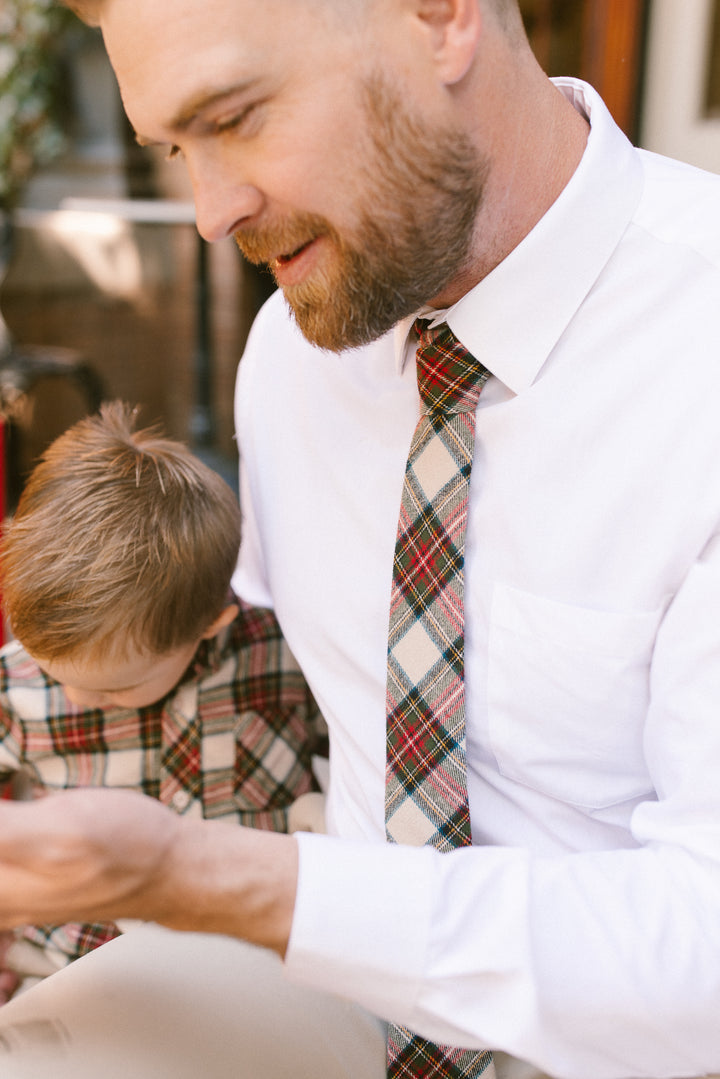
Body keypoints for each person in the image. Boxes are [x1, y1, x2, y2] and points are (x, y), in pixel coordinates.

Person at [0, 1, 719, 1076]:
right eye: (173, 149)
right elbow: (245, 660)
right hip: (334, 983)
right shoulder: (293, 350)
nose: (207, 210)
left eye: (234, 116)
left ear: (439, 17)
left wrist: (209, 874)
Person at [0, 401, 323, 997]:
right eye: (54, 671)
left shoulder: (279, 656)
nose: (75, 697)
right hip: (77, 979)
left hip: (256, 976)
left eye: (115, 687)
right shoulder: (15, 687)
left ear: (210, 623)